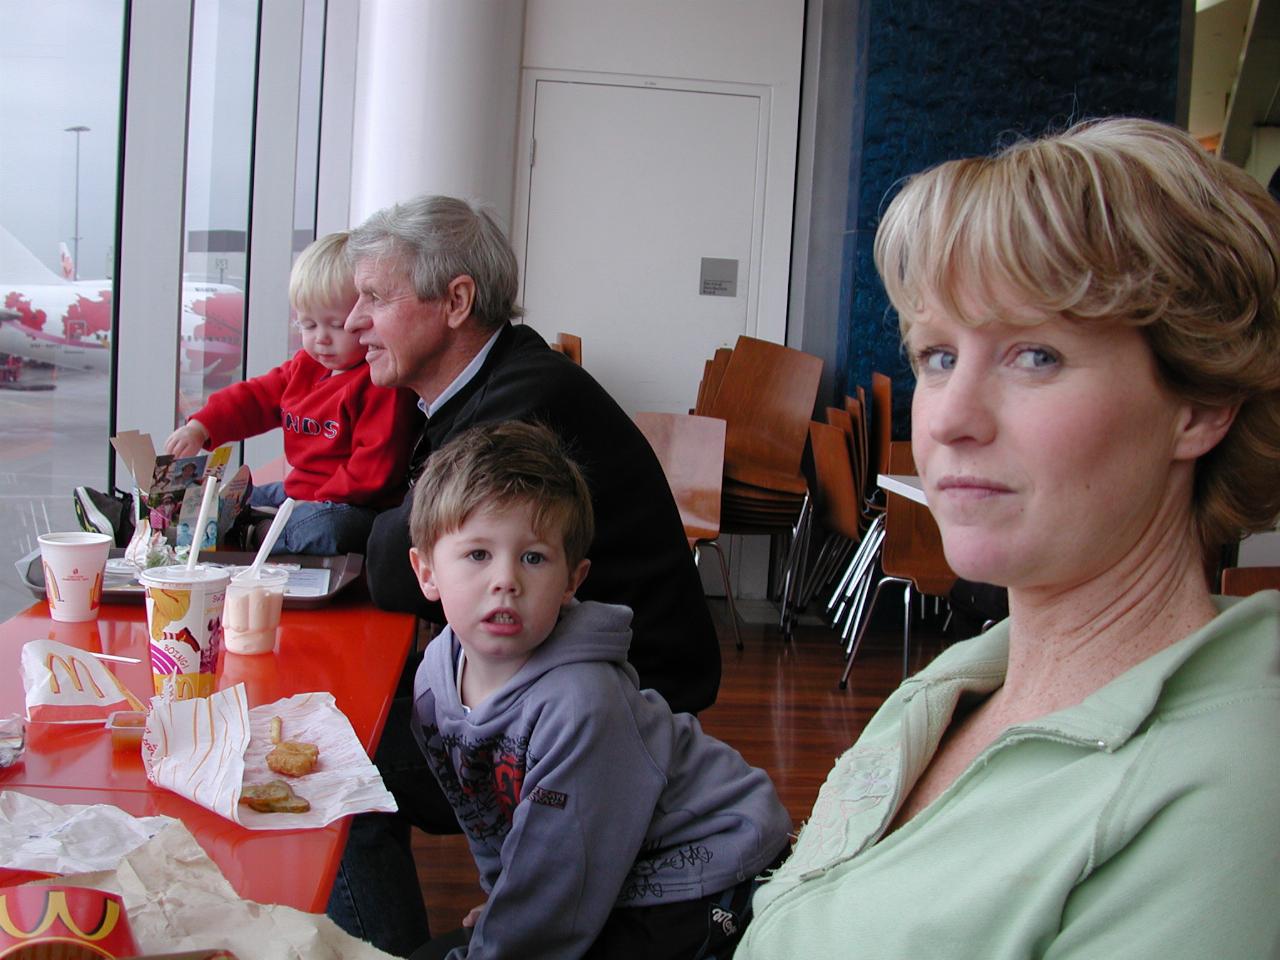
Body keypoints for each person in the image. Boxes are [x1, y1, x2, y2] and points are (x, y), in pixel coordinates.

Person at [737, 117, 1280, 958]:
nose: (948, 418)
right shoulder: (962, 682)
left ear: (1201, 403)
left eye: (1036, 356)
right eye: (938, 355)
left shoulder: (1228, 804)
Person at [328, 195, 721, 956]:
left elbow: (393, 566)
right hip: (542, 672)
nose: (352, 322)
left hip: (621, 700)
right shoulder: (481, 385)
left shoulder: (524, 403)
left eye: (374, 297)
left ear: (457, 301)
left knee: (340, 773)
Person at [404, 420, 790, 960]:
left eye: (533, 557)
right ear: (426, 572)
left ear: (572, 582)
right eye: (477, 555)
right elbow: (487, 818)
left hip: (707, 863)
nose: (506, 580)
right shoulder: (432, 685)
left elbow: (561, 884)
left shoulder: (582, 704)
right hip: (604, 855)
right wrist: (502, 901)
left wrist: (507, 936)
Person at [164, 232, 420, 555]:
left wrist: (311, 500)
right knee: (231, 498)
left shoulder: (380, 383)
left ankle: (250, 535)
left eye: (336, 326)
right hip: (295, 493)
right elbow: (254, 398)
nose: (321, 339)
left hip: (349, 505)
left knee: (327, 528)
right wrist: (201, 427)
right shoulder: (305, 367)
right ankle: (157, 520)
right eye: (308, 326)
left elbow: (373, 471)